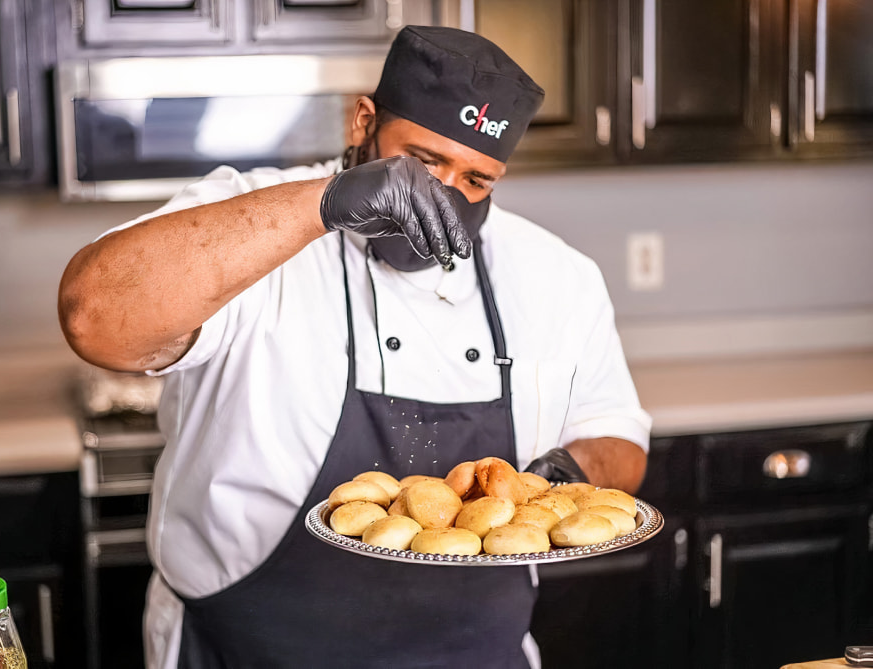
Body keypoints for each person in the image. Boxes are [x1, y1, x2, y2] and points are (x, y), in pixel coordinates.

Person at [58, 25, 651, 669]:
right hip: (247, 648)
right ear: (363, 121)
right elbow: (94, 318)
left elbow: (617, 438)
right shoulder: (247, 221)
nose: (444, 199)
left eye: (477, 181)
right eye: (421, 165)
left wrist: (558, 484)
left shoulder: (555, 274)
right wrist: (326, 204)